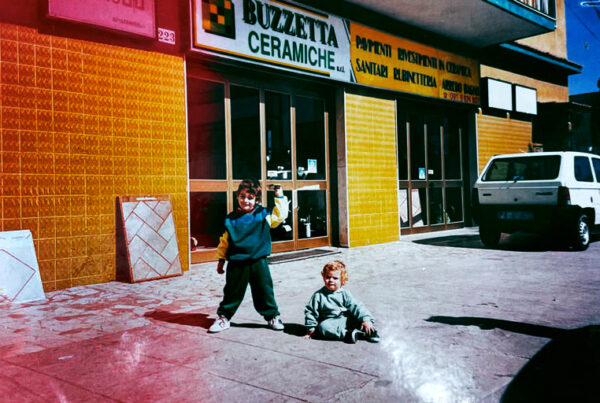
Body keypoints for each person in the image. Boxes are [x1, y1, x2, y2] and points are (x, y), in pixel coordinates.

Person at [208, 178, 289, 333]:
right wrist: (221, 260)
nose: (246, 201)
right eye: (243, 196)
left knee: (264, 291)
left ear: (256, 199)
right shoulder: (230, 219)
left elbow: (280, 216)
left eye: (250, 198)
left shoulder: (263, 214)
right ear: (237, 196)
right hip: (237, 262)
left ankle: (272, 316)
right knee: (232, 292)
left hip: (259, 261)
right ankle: (224, 318)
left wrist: (279, 196)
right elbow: (224, 242)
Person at [303, 260, 380, 343]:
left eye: (335, 278)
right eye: (328, 277)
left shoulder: (344, 294)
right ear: (324, 277)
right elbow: (311, 312)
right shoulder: (318, 295)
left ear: (342, 280)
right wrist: (311, 329)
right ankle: (348, 334)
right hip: (330, 322)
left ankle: (369, 331)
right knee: (323, 327)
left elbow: (357, 306)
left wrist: (366, 320)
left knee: (357, 317)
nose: (331, 280)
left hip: (345, 319)